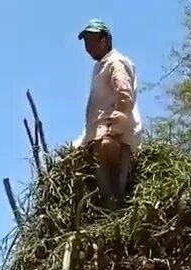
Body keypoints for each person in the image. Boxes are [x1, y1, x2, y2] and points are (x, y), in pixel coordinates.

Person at [74, 19, 143, 208]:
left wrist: (114, 132)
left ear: (105, 40)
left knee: (113, 193)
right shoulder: (102, 65)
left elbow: (124, 95)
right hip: (102, 135)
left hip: (111, 137)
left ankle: (118, 228)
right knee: (108, 192)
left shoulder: (115, 62)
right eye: (86, 42)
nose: (88, 47)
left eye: (92, 41)